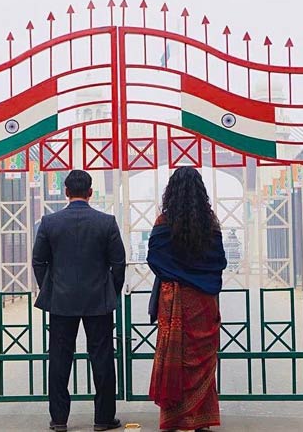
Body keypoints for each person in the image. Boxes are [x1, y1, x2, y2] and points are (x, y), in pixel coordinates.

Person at [33, 170, 126, 432]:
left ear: (66, 192)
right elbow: (118, 263)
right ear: (90, 192)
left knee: (59, 359)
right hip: (98, 301)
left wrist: (51, 288)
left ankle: (59, 419)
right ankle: (103, 418)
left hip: (61, 302)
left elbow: (38, 261)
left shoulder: (49, 223)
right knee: (102, 358)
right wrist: (111, 291)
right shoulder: (106, 222)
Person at [146, 166, 227, 432]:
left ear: (171, 191)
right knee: (202, 359)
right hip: (203, 300)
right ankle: (201, 420)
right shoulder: (210, 223)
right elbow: (219, 261)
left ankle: (174, 419)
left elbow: (155, 259)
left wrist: (176, 275)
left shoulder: (163, 222)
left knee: (176, 358)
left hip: (175, 300)